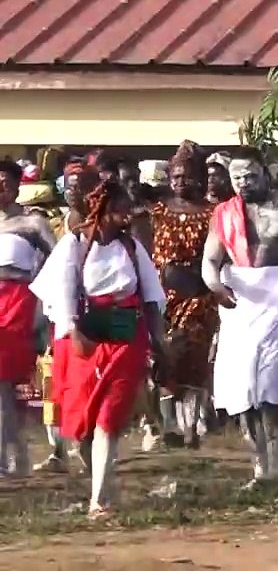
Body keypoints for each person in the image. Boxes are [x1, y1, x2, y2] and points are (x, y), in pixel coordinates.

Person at [30, 179, 166, 518]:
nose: (126, 217)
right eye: (120, 211)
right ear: (104, 211)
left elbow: (151, 299)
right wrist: (73, 332)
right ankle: (101, 484)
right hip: (85, 331)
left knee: (110, 415)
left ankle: (100, 500)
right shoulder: (74, 244)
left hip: (125, 328)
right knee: (83, 423)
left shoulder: (132, 248)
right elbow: (61, 294)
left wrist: (159, 343)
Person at [202, 146, 278, 486]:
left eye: (250, 175)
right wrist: (215, 286)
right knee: (243, 389)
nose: (243, 182)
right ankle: (259, 467)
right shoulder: (224, 213)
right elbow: (210, 261)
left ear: (264, 174)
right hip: (239, 298)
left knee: (271, 386)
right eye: (237, 177)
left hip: (277, 296)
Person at [31, 159, 100, 474]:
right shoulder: (58, 224)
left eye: (80, 186)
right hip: (58, 311)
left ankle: (90, 444)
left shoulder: (109, 225)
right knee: (55, 381)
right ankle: (59, 448)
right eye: (69, 186)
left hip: (98, 314)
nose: (73, 192)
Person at [150, 141, 217, 450]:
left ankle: (191, 429)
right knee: (164, 359)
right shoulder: (158, 211)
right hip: (163, 295)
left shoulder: (212, 214)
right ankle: (168, 426)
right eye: (174, 176)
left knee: (192, 359)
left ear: (199, 178)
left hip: (199, 296)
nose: (179, 182)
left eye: (185, 176)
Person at [0, 159, 55, 477]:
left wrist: (42, 306)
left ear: (18, 185)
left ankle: (12, 453)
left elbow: (59, 259)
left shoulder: (33, 223)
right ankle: (14, 451)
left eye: (6, 181)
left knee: (5, 381)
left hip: (18, 304)